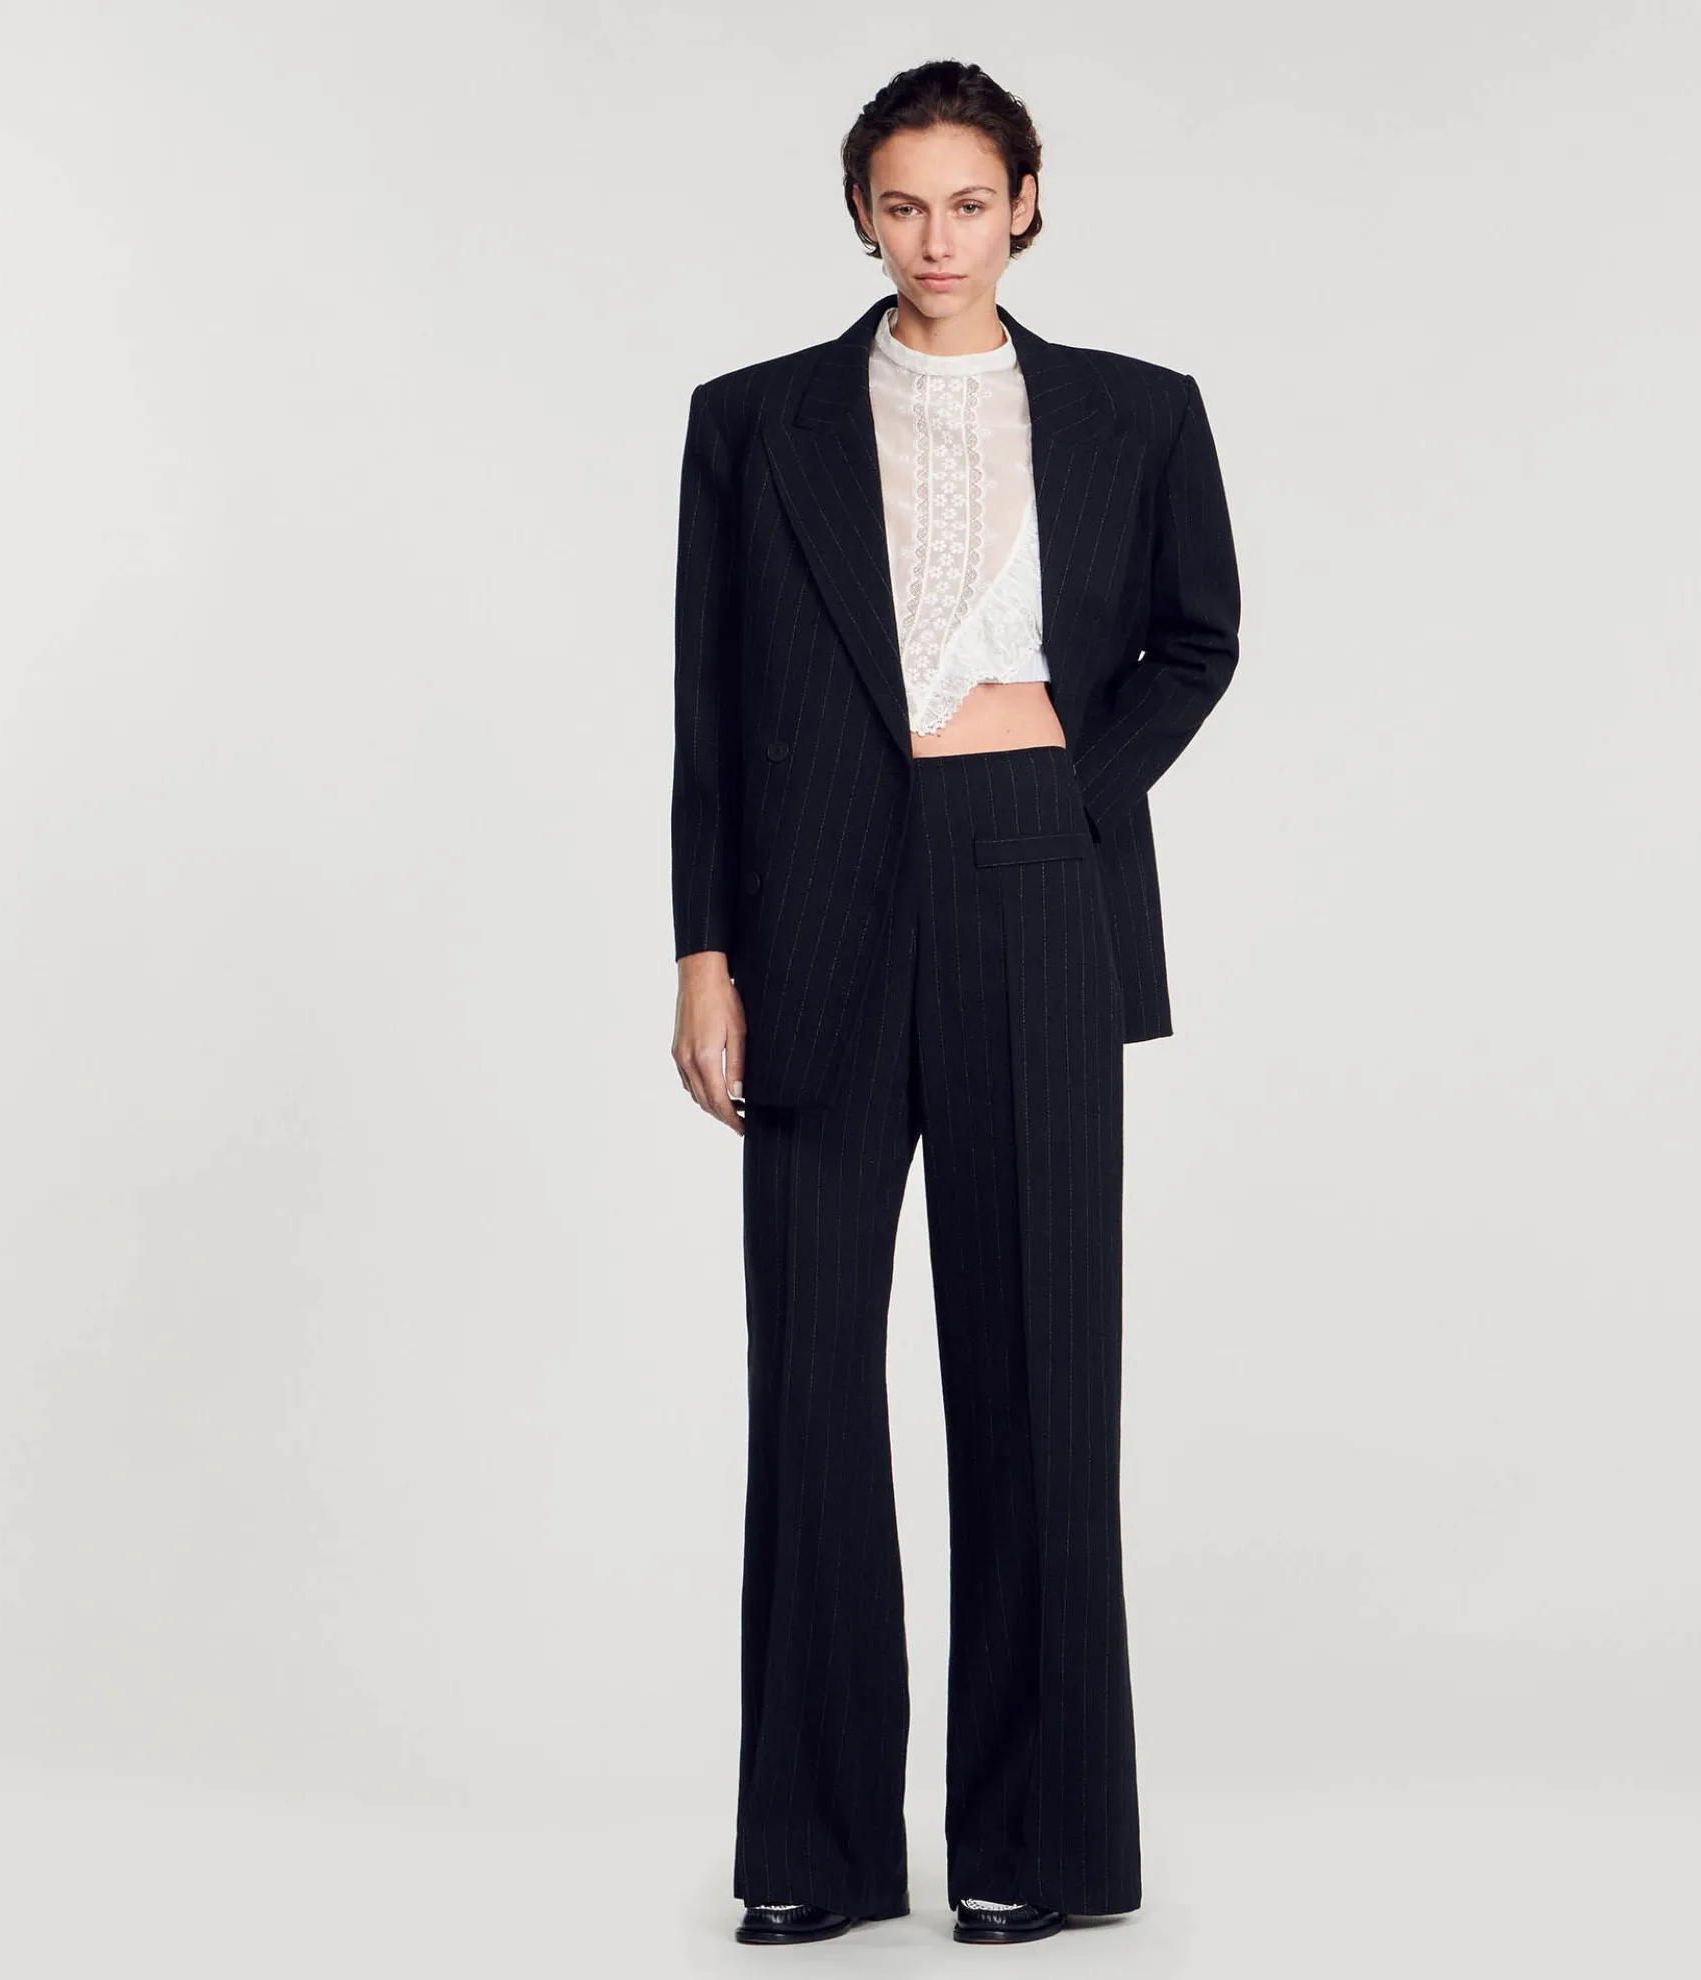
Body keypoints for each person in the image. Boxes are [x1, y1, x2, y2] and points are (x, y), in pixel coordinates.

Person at [669, 58, 1240, 1949]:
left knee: (1037, 1377)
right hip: (816, 910)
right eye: (903, 205)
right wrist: (704, 952)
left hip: (1032, 886)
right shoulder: (752, 420)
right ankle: (813, 1851)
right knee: (813, 1388)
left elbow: (1199, 637)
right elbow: (707, 705)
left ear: (1027, 206)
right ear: (861, 213)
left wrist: (1069, 781)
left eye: (970, 203)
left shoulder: (1138, 411)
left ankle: (1037, 1846)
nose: (938, 238)